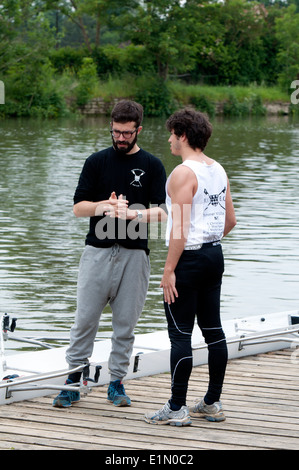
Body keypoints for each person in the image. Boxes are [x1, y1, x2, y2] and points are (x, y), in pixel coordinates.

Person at [53, 100, 167, 408]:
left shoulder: (153, 165)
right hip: (97, 253)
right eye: (116, 131)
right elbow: (78, 207)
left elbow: (164, 212)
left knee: (125, 324)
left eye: (127, 133)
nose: (120, 138)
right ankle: (73, 381)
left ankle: (116, 383)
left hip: (135, 256)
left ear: (138, 130)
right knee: (85, 320)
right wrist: (104, 206)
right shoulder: (96, 162)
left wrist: (133, 214)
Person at [145, 108, 236, 426]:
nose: (169, 139)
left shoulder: (184, 173)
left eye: (172, 133)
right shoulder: (218, 169)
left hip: (189, 260)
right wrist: (207, 241)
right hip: (214, 256)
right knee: (214, 331)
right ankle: (212, 402)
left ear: (183, 135)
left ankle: (176, 408)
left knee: (180, 334)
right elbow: (230, 221)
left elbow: (180, 229)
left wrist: (170, 269)